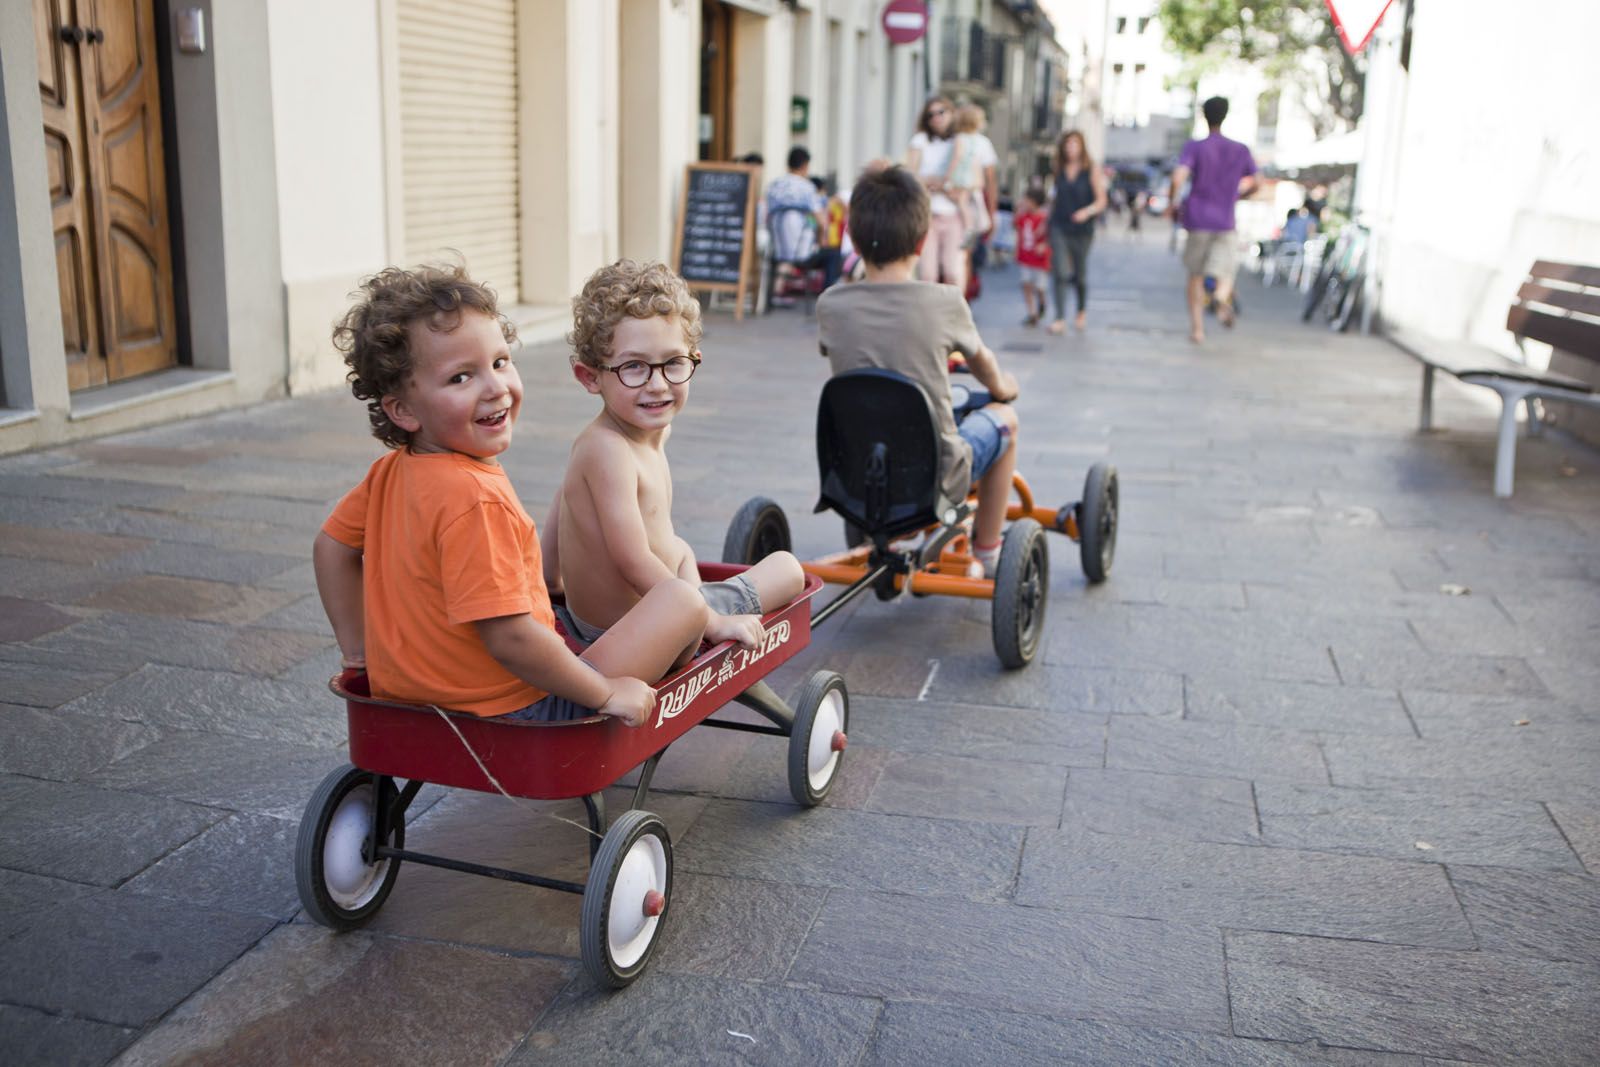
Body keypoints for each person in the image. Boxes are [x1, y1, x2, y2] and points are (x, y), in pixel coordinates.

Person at [314, 264, 708, 728]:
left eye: (500, 362)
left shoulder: (390, 473)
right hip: (518, 705)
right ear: (402, 409)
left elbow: (331, 548)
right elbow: (511, 639)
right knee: (683, 601)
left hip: (405, 690)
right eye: (461, 377)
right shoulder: (476, 499)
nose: (496, 388)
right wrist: (604, 693)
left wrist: (359, 655)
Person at [547, 260, 805, 653]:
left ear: (692, 359)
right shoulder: (607, 449)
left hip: (655, 611)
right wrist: (711, 621)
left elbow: (562, 505)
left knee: (694, 550)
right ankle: (704, 609)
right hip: (632, 636)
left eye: (673, 363)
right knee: (786, 570)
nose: (658, 384)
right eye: (634, 367)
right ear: (590, 376)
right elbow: (632, 560)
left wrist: (550, 582)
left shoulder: (637, 435)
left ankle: (698, 601)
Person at [816, 165, 1021, 578]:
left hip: (857, 469)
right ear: (923, 239)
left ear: (852, 238)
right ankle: (987, 549)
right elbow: (982, 363)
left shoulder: (831, 305)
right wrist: (1002, 387)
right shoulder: (946, 302)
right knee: (1005, 422)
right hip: (937, 471)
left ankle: (887, 535)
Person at [1168, 96, 1259, 344]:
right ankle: (1220, 296)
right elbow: (1257, 182)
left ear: (1204, 116)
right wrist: (1238, 196)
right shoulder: (1240, 149)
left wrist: (1172, 202)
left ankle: (1197, 329)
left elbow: (1178, 178)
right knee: (1227, 270)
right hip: (1225, 221)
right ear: (1225, 115)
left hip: (1197, 219)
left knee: (1195, 275)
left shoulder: (1195, 147)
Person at [1045, 130, 1108, 335]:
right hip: (1059, 225)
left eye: (1075, 144)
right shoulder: (1059, 169)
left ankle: (1080, 310)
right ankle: (1060, 317)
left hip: (1082, 229)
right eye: (1067, 144)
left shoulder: (1091, 170)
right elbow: (1053, 198)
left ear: (1081, 146)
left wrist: (1086, 212)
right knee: (1060, 272)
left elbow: (1101, 201)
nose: (1071, 148)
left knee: (1079, 275)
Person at [903, 96, 965, 291]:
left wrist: (940, 184)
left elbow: (965, 180)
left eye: (941, 112)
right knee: (927, 274)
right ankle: (928, 316)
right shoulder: (920, 140)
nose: (936, 118)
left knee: (951, 272)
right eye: (931, 115)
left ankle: (952, 316)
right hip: (926, 214)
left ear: (951, 113)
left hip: (953, 213)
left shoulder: (959, 142)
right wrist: (932, 181)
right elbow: (910, 174)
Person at [766, 146, 839, 289]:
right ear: (806, 165)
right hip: (801, 254)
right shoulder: (807, 187)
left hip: (776, 251)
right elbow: (822, 223)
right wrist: (818, 242)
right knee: (834, 255)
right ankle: (826, 296)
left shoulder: (773, 186)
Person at [1014, 187, 1051, 327]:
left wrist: (1045, 245)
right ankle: (1032, 313)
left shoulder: (1044, 218)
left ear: (1034, 202)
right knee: (1026, 285)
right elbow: (1016, 227)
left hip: (1040, 260)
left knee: (1040, 287)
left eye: (1027, 201)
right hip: (1025, 257)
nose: (1024, 202)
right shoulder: (1023, 216)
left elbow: (1050, 236)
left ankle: (1042, 302)